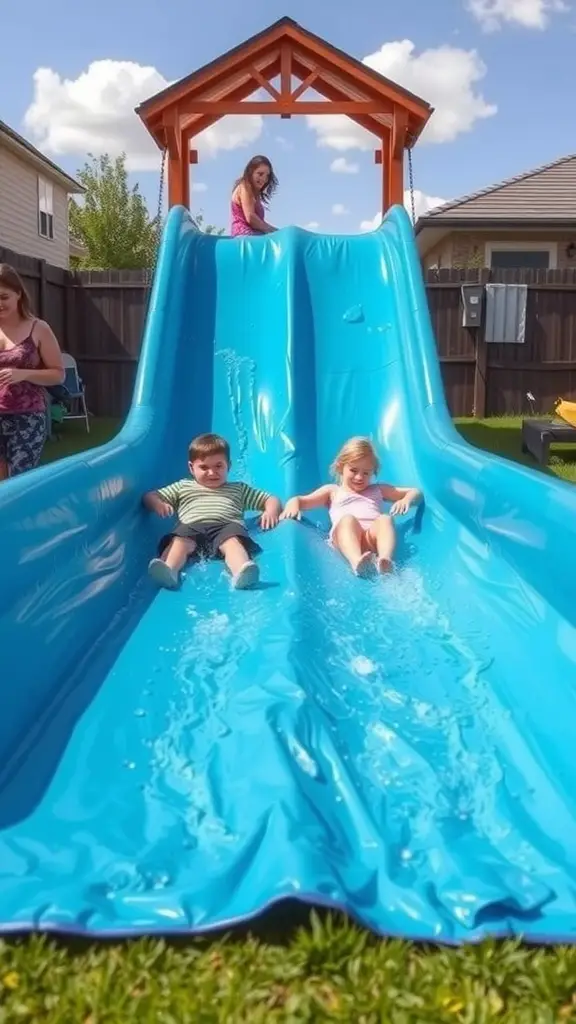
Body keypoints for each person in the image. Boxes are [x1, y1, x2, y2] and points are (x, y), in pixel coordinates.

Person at [143, 432, 282, 590]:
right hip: (191, 525)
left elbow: (270, 499)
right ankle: (169, 571)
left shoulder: (238, 489)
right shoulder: (183, 486)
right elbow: (150, 496)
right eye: (204, 467)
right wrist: (158, 504)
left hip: (226, 526)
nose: (212, 472)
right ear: (191, 467)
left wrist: (271, 511)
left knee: (232, 543)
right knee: (179, 541)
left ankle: (242, 572)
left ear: (228, 466)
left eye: (218, 466)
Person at [281, 437, 421, 576]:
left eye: (366, 473)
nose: (359, 477)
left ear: (373, 472)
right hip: (344, 540)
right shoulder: (332, 491)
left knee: (385, 519)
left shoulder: (378, 489)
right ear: (340, 467)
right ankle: (356, 562)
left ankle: (385, 560)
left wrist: (407, 500)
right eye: (354, 470)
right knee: (348, 520)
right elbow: (300, 500)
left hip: (369, 538)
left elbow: (416, 493)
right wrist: (293, 506)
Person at [0, 264, 65, 481]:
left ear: (18, 294)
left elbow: (58, 374)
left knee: (20, 480)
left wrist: (23, 374)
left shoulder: (38, 328)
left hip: (26, 418)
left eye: (3, 297)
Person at [230, 155, 278, 236]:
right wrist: (274, 231)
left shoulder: (255, 193)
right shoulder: (244, 186)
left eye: (267, 176)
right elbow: (250, 218)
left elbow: (259, 223)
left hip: (254, 233)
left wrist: (274, 230)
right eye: (260, 174)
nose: (263, 179)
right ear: (251, 172)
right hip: (243, 234)